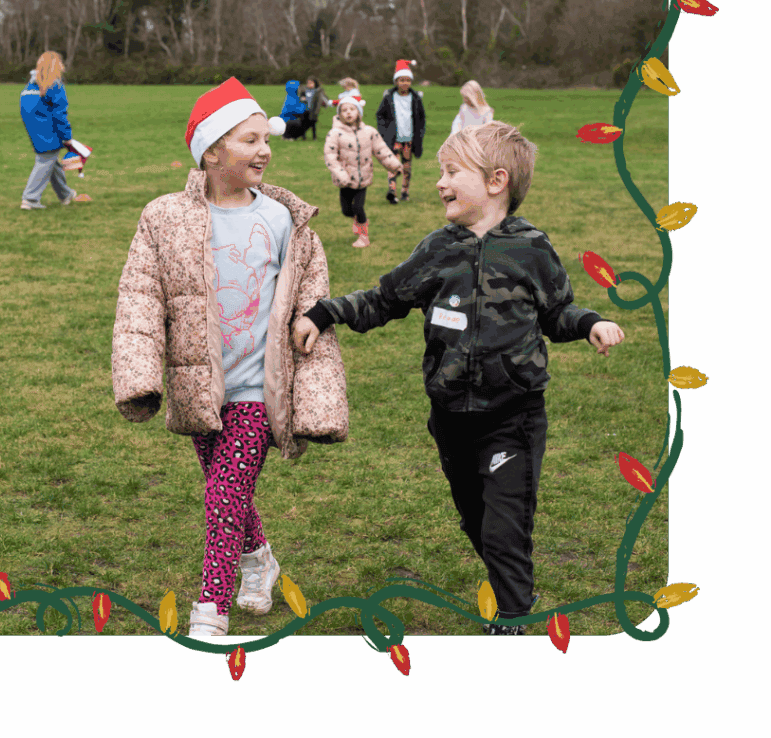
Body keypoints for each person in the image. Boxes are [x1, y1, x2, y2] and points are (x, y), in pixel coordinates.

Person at [291, 120, 625, 635]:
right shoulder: (438, 248)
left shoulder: (531, 248)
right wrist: (324, 312)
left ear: (496, 181)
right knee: (475, 517)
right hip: (450, 416)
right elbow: (385, 299)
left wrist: (591, 324)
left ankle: (514, 612)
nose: (439, 182)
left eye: (451, 172)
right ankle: (509, 578)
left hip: (513, 414)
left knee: (504, 521)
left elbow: (558, 313)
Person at [111, 77, 348, 637]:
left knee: (224, 494)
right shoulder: (164, 218)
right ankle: (260, 560)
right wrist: (139, 375)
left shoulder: (284, 219)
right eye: (249, 140)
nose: (264, 149)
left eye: (266, 138)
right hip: (201, 386)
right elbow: (140, 299)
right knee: (227, 489)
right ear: (212, 153)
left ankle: (210, 606)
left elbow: (310, 296)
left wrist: (312, 346)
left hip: (258, 388)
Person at [323, 89, 401, 248]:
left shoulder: (369, 132)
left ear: (359, 112)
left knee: (359, 207)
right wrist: (340, 174)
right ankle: (359, 220)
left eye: (352, 109)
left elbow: (382, 151)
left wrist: (394, 165)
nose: (348, 113)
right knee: (346, 210)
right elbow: (330, 156)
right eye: (344, 110)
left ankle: (363, 236)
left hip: (363, 178)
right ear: (339, 114)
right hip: (345, 179)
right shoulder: (335, 134)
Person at [18, 51, 91, 210]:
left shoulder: (30, 86)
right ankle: (30, 198)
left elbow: (26, 111)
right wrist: (66, 137)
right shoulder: (55, 85)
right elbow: (60, 114)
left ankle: (65, 195)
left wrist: (36, 137)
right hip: (49, 131)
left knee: (51, 162)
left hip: (35, 130)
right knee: (44, 162)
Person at [376, 59, 426, 204]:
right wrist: (384, 132)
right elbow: (380, 115)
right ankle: (392, 191)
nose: (405, 83)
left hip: (409, 139)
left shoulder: (416, 98)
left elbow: (421, 118)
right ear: (396, 81)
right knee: (393, 165)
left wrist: (419, 134)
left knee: (406, 166)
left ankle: (405, 191)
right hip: (394, 139)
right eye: (401, 80)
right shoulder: (389, 98)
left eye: (407, 80)